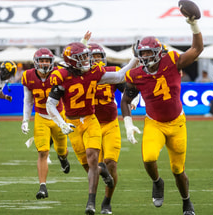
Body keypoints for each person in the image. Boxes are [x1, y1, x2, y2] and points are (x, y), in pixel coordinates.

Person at [120, 16, 203, 215]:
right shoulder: (135, 74)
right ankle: (157, 182)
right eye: (143, 53)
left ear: (158, 52)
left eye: (149, 52)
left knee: (178, 170)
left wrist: (193, 24)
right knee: (148, 158)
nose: (146, 56)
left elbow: (197, 49)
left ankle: (186, 201)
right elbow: (125, 100)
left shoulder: (173, 60)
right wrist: (128, 124)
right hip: (154, 123)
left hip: (177, 123)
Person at [46, 42, 138, 215]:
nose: (88, 60)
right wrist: (61, 123)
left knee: (98, 160)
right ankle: (102, 173)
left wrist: (135, 58)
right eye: (82, 57)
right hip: (73, 124)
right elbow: (50, 103)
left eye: (87, 56)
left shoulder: (94, 72)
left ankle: (93, 203)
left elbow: (119, 77)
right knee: (90, 166)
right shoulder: (62, 75)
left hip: (92, 120)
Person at [81, 32, 138, 214]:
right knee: (94, 166)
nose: (97, 61)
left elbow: (128, 88)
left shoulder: (111, 73)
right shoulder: (82, 76)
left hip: (110, 123)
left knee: (111, 163)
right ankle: (92, 201)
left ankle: (107, 201)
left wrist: (133, 99)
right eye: (93, 58)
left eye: (99, 57)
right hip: (90, 125)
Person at [21, 48, 70, 199]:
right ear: (36, 62)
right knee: (43, 152)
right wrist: (25, 120)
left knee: (62, 150)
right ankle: (43, 186)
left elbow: (71, 59)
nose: (44, 63)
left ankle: (62, 159)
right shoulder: (28, 76)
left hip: (58, 118)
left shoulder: (59, 73)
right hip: (41, 117)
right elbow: (28, 101)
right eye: (41, 60)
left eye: (47, 61)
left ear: (52, 62)